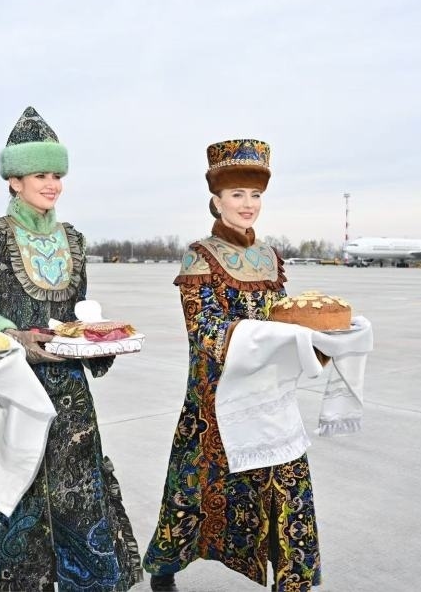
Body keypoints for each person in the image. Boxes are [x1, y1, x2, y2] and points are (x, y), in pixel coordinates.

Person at [0, 107, 142, 591]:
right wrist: (15, 337)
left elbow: (78, 316)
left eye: (57, 175)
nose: (52, 184)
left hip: (71, 401)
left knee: (75, 499)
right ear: (14, 180)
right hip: (11, 395)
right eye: (41, 174)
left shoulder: (74, 240)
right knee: (15, 507)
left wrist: (97, 340)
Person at [142, 139, 322, 591]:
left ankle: (293, 581)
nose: (247, 204)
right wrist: (267, 337)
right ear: (217, 199)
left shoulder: (270, 256)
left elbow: (284, 316)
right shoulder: (200, 255)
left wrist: (315, 338)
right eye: (237, 194)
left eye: (255, 195)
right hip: (214, 401)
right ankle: (164, 568)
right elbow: (203, 328)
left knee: (287, 484)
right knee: (192, 490)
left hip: (270, 395)